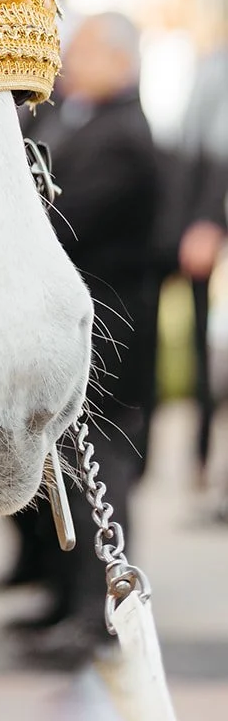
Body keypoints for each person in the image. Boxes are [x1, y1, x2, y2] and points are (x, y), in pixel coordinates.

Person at [11, 12, 162, 667]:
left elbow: (65, 222)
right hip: (86, 329)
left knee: (102, 477)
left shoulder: (122, 136)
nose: (70, 62)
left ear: (119, 62)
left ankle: (96, 616)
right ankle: (62, 600)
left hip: (111, 337)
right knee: (70, 475)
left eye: (84, 52)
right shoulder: (82, 120)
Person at [173, 45, 228, 478]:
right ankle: (205, 459)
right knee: (207, 350)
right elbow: (203, 145)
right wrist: (205, 220)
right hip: (211, 223)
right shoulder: (215, 64)